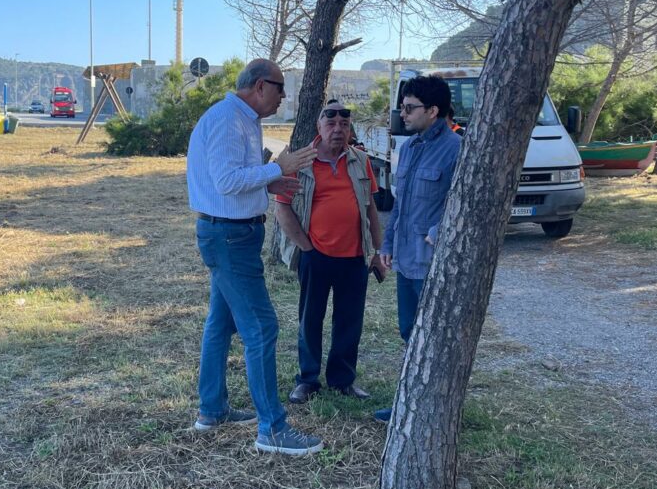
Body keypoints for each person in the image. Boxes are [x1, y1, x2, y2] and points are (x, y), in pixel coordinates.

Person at [186, 58, 324, 456]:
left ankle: (212, 410)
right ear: (261, 86)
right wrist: (276, 169)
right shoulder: (228, 120)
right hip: (229, 237)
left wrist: (270, 182)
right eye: (281, 88)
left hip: (231, 234)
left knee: (220, 323)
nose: (284, 96)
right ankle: (272, 429)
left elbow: (233, 178)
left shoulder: (243, 119)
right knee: (262, 327)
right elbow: (227, 181)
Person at [274, 101, 384, 405]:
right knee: (310, 319)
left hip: (354, 256)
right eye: (331, 123)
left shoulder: (361, 160)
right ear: (318, 127)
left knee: (350, 321)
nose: (338, 130)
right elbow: (282, 209)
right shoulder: (300, 162)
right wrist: (306, 248)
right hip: (316, 256)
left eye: (344, 125)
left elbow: (370, 209)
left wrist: (376, 251)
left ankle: (342, 380)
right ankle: (307, 380)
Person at [374, 75, 461, 422]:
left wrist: (437, 233)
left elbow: (464, 204)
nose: (403, 115)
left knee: (433, 338)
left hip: (433, 263)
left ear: (433, 110)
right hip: (406, 261)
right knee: (409, 331)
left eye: (410, 108)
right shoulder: (409, 147)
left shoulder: (456, 149)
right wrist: (387, 243)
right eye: (402, 107)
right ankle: (409, 404)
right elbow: (400, 203)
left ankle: (432, 408)